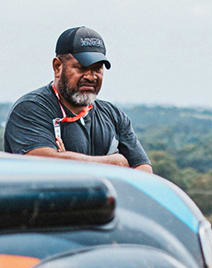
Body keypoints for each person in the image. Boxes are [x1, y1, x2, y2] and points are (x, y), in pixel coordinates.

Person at [4, 26, 151, 172]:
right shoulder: (32, 108)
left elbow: (144, 170)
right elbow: (42, 164)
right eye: (81, 68)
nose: (90, 76)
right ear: (57, 67)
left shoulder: (112, 115)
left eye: (97, 68)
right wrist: (115, 162)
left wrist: (66, 161)